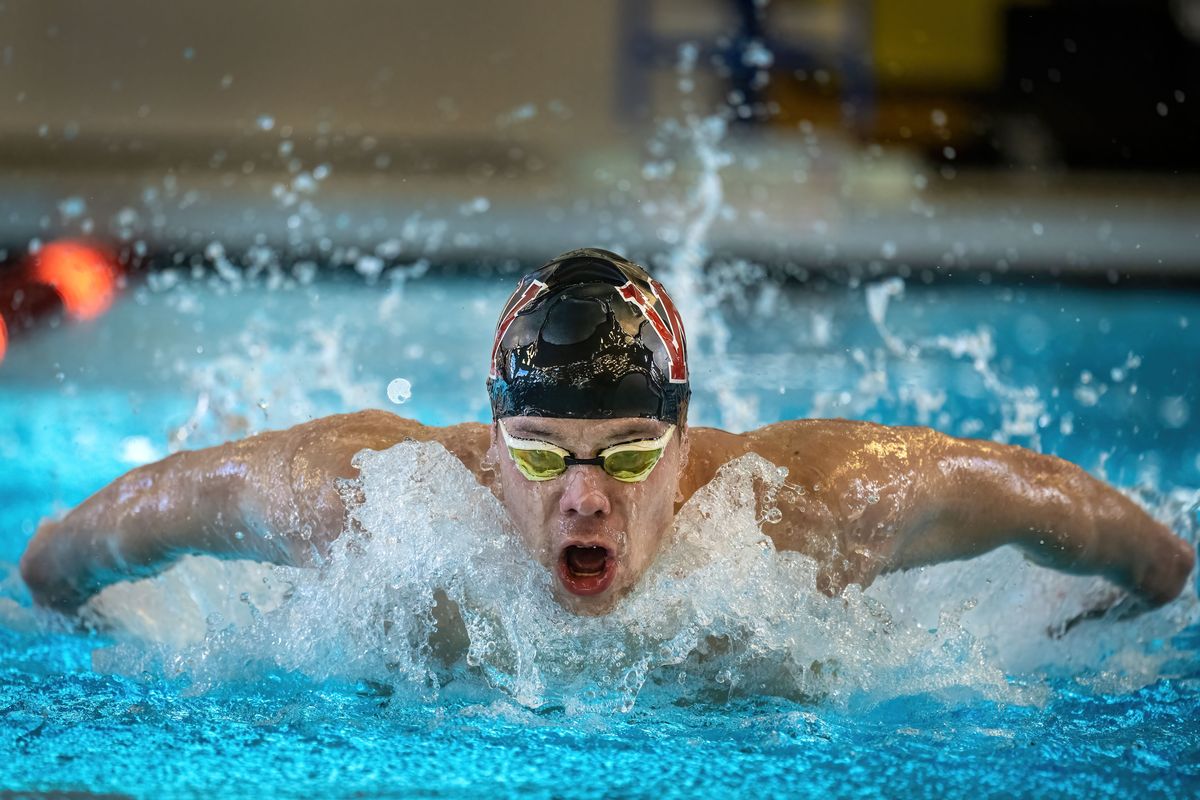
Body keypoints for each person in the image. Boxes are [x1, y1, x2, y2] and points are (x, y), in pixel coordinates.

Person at [19, 248, 1195, 619]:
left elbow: (1074, 513)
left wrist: (1134, 601)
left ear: (691, 443)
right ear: (489, 447)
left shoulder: (812, 505)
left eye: (629, 449)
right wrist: (62, 608)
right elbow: (97, 536)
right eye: (541, 451)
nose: (585, 493)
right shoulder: (361, 499)